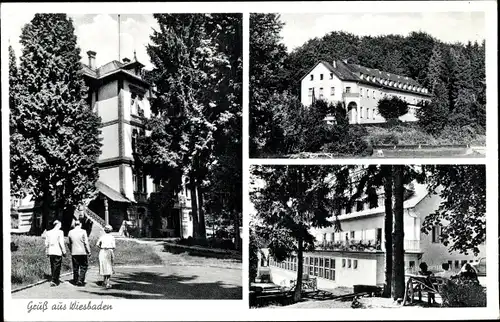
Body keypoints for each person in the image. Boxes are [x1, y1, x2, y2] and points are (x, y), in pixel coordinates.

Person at [68, 220, 91, 286]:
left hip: (74, 252)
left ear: (75, 225)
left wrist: (71, 249)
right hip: (82, 252)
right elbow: (86, 242)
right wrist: (88, 251)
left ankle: (75, 280)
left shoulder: (70, 232)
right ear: (80, 224)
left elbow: (69, 243)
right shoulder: (83, 231)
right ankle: (80, 279)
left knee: (75, 267)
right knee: (84, 266)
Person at [45, 220, 67, 286]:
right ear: (57, 225)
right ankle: (55, 280)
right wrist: (64, 251)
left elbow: (46, 243)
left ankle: (53, 278)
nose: (61, 226)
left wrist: (47, 252)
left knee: (52, 265)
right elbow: (61, 243)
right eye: (60, 224)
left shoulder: (48, 232)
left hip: (51, 251)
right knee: (57, 266)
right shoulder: (60, 232)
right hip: (57, 251)